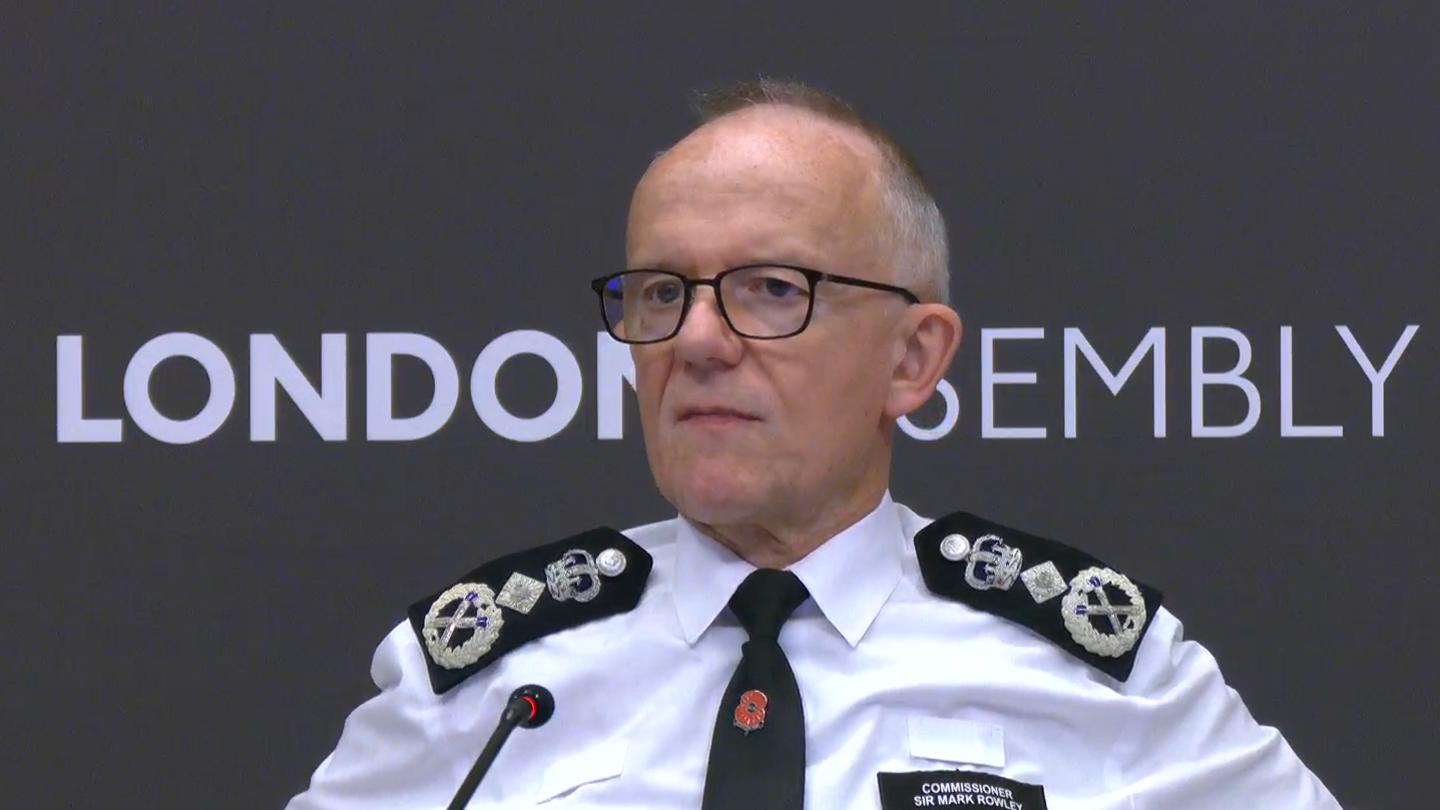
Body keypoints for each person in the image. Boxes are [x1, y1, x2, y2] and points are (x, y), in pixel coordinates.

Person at [285, 79, 1343, 810]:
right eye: (662, 292)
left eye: (771, 290)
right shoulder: (488, 680)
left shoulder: (1102, 671)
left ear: (911, 360)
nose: (698, 340)